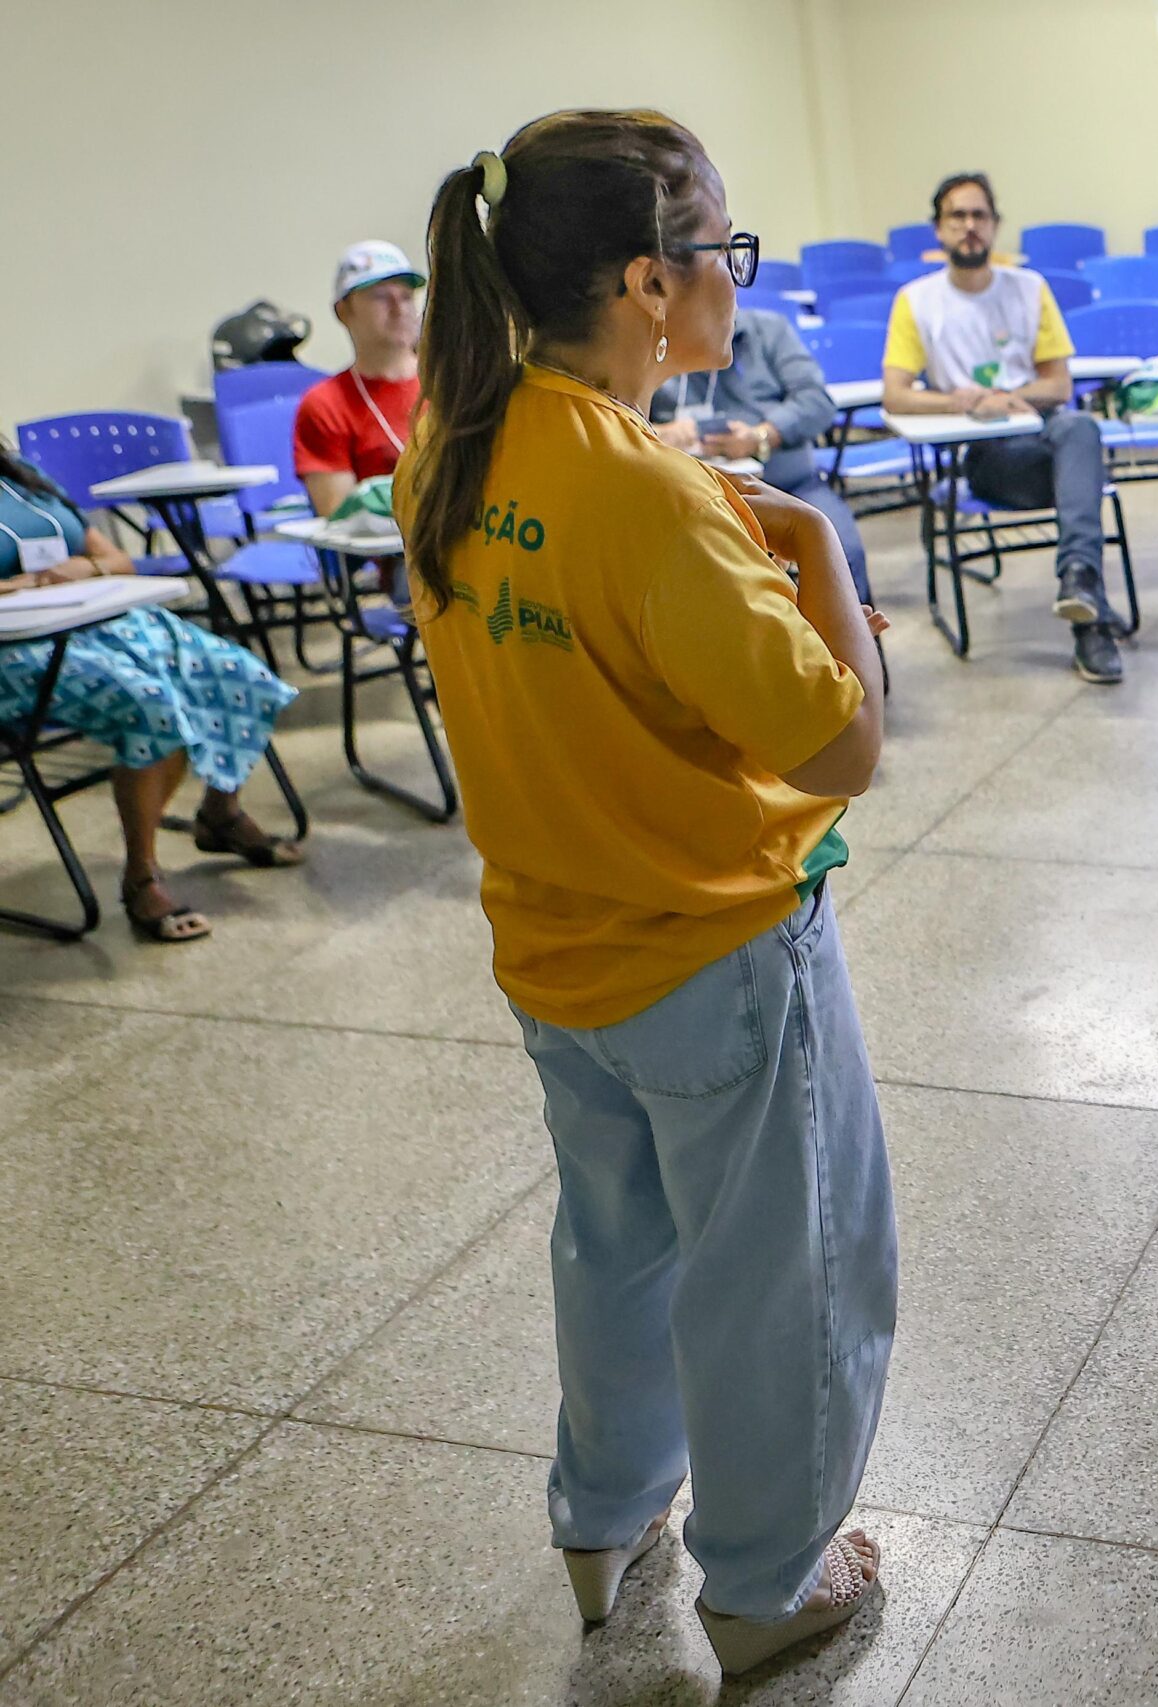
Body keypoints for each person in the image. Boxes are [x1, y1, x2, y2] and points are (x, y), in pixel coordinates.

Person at [394, 110, 894, 1676]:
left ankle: (602, 1517)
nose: (740, 278)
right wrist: (816, 548)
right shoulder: (654, 493)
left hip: (557, 945)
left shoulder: (451, 446)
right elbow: (844, 743)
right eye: (725, 249)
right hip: (710, 948)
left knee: (614, 1246)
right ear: (645, 282)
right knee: (779, 1273)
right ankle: (767, 1581)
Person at [0, 437, 301, 941]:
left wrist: (85, 568)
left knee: (235, 670)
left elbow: (117, 559)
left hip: (97, 618)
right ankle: (141, 876)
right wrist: (20, 586)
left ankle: (220, 815)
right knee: (149, 705)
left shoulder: (20, 474)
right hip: (15, 651)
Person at [881, 172, 1121, 684]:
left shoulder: (1029, 289)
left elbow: (1058, 384)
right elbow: (896, 394)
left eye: (980, 216)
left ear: (995, 225)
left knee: (1080, 427)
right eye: (958, 216)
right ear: (939, 229)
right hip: (985, 452)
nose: (970, 226)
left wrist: (1013, 398)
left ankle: (1080, 585)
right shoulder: (917, 300)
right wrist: (957, 402)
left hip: (1042, 429)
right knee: (1081, 470)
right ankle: (1090, 612)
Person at [650, 304, 870, 600]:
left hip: (789, 484)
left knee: (843, 552)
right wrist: (658, 433)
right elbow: (618, 418)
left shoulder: (769, 330)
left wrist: (762, 436)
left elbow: (817, 401)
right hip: (695, 498)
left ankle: (853, 630)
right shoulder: (652, 343)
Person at [294, 241, 424, 519]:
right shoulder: (325, 405)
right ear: (343, 311)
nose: (399, 309)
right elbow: (338, 517)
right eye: (381, 297)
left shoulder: (450, 387)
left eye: (406, 297)